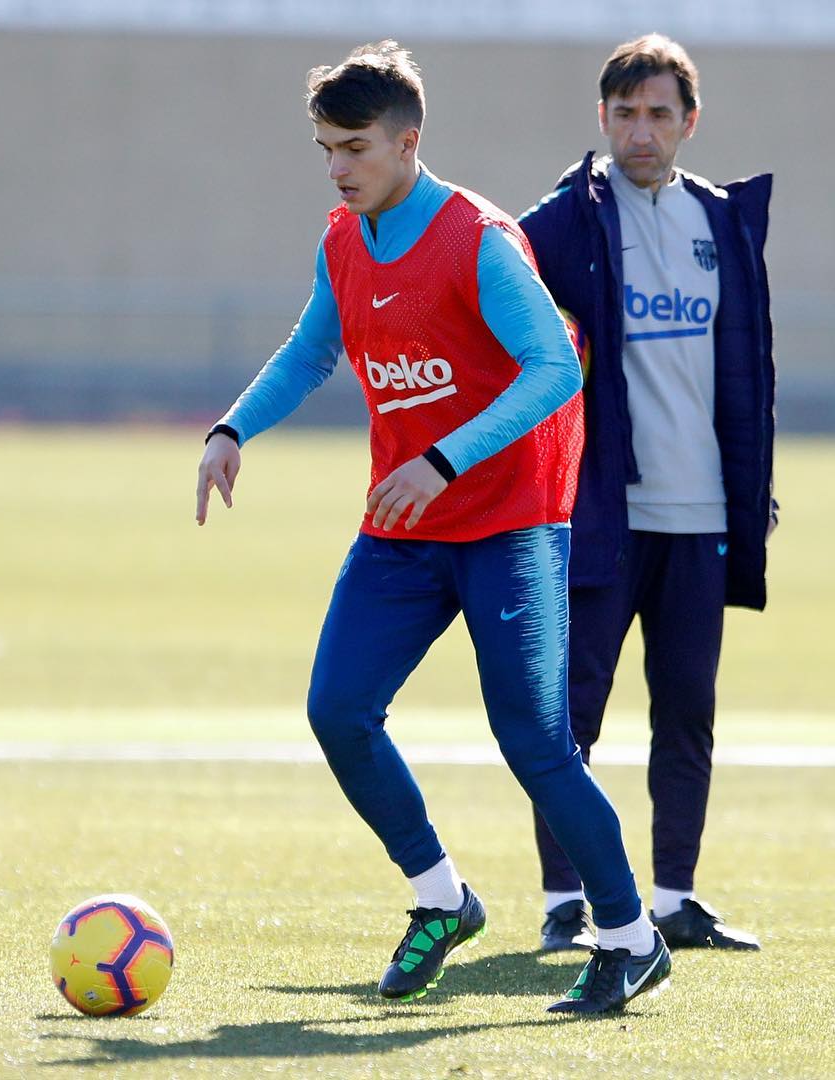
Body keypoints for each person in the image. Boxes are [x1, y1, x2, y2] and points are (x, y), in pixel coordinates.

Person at [196, 40, 671, 1014]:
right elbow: (311, 349)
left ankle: (629, 935)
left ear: (409, 142)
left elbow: (552, 369)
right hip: (405, 531)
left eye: (356, 147)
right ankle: (442, 900)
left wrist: (446, 455)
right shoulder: (343, 237)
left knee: (536, 745)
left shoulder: (478, 241)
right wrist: (233, 425)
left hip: (509, 526)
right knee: (337, 710)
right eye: (326, 146)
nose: (337, 166)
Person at [518, 34, 774, 954]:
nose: (640, 130)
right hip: (599, 518)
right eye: (624, 113)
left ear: (689, 122)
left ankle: (674, 900)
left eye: (659, 113)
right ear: (602, 118)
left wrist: (755, 493)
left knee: (688, 712)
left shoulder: (724, 222)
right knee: (570, 714)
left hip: (700, 515)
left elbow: (746, 377)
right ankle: (563, 903)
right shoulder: (558, 227)